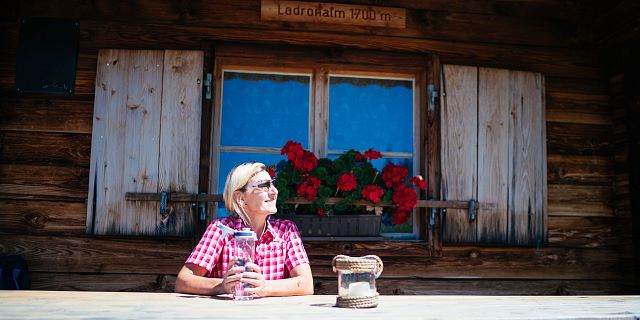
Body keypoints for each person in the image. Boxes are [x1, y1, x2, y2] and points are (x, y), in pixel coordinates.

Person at [175, 162, 314, 297]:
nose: (274, 191)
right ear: (240, 198)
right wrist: (222, 286)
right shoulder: (221, 230)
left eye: (273, 184)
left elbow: (307, 284)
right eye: (264, 186)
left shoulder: (286, 231)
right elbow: (183, 281)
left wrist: (264, 287)